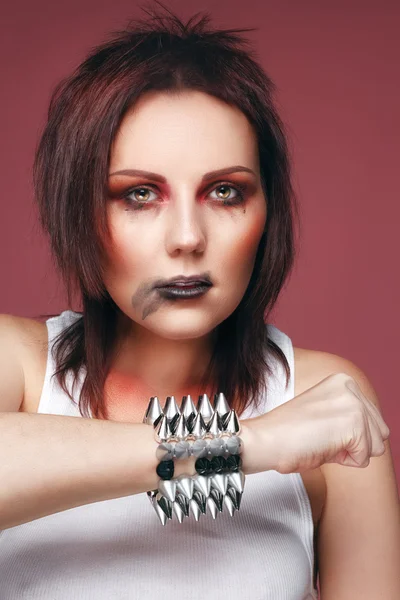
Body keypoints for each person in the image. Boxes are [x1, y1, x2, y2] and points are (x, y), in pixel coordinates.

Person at [0, 4, 398, 599]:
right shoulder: (19, 366)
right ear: (78, 211)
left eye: (223, 191)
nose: (187, 238)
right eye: (138, 194)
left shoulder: (322, 399)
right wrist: (244, 446)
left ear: (268, 214)